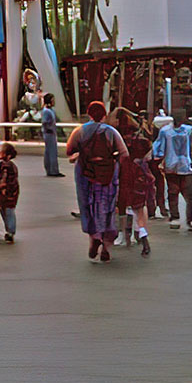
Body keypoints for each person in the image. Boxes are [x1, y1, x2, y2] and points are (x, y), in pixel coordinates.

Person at [66, 101, 129, 263]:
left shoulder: (80, 131)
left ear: (88, 113)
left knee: (88, 206)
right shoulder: (111, 132)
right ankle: (106, 247)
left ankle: (94, 237)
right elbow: (124, 154)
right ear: (104, 115)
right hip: (107, 176)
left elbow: (69, 150)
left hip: (85, 175)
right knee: (107, 208)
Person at [111, 108, 154, 255]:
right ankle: (142, 236)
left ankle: (123, 235)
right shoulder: (142, 141)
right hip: (138, 177)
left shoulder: (116, 139)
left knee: (120, 207)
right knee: (139, 210)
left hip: (122, 176)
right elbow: (149, 157)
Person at [156, 114, 192, 231]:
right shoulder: (165, 131)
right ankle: (175, 216)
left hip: (186, 165)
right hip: (171, 166)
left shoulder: (188, 130)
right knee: (173, 192)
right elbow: (159, 147)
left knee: (190, 193)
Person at [41, 93, 62, 177]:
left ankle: (51, 169)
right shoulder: (47, 111)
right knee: (51, 151)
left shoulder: (50, 110)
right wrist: (49, 129)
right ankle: (53, 170)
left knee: (50, 151)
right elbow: (45, 122)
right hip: (49, 134)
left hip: (51, 133)